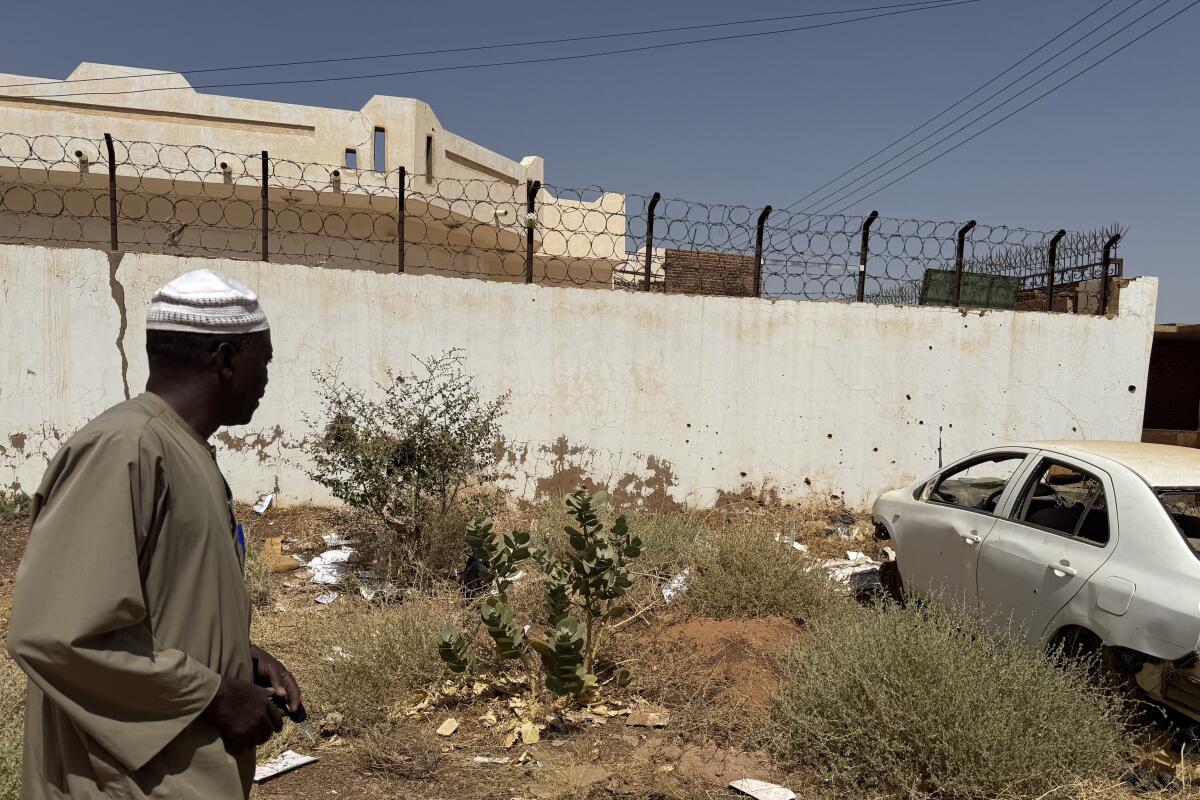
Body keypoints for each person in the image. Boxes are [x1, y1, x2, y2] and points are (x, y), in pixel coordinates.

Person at [7, 269, 302, 798]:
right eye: (266, 362)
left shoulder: (180, 448)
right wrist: (215, 696)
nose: (266, 381)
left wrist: (240, 655)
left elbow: (157, 606)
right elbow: (57, 633)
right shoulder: (127, 448)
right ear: (228, 359)